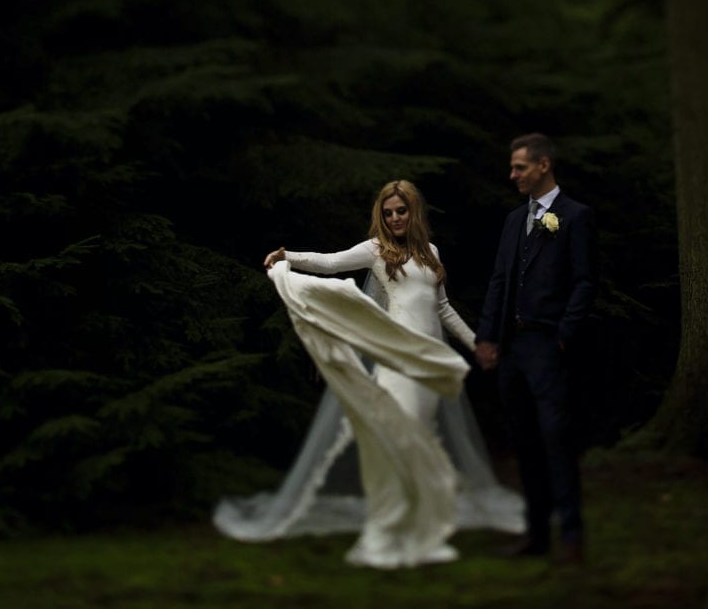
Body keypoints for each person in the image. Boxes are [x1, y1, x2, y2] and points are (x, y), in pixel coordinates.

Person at [214, 180, 525, 569]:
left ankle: (420, 533)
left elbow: (442, 308)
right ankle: (385, 531)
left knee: (420, 443)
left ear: (413, 212)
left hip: (427, 360)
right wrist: (286, 256)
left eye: (401, 211)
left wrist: (476, 342)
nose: (395, 218)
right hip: (397, 361)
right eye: (388, 212)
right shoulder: (377, 250)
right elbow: (330, 263)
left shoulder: (431, 253)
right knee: (397, 443)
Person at [474, 133, 597, 565]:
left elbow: (584, 282)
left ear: (544, 165)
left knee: (556, 440)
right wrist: (486, 338)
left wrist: (565, 331)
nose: (513, 175)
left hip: (548, 345)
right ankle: (537, 535)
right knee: (524, 442)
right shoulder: (513, 221)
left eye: (519, 167)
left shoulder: (575, 217)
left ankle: (573, 536)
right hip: (511, 348)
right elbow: (499, 282)